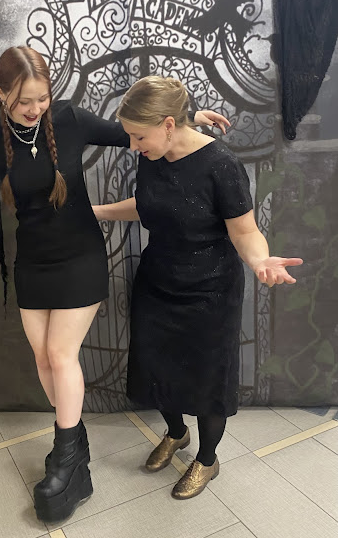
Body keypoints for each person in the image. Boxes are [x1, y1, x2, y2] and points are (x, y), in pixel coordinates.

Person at [0, 47, 228, 522]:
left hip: (80, 256)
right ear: (1, 94)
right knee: (43, 358)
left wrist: (187, 117)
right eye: (23, 102)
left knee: (60, 355)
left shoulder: (69, 119)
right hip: (33, 263)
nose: (34, 109)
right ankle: (74, 450)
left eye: (41, 98)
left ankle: (66, 457)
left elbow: (130, 132)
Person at [93, 75, 303, 500]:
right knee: (156, 367)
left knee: (207, 381)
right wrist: (98, 211)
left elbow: (245, 231)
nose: (132, 145)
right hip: (157, 281)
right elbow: (151, 205)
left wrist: (259, 260)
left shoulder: (221, 165)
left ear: (169, 124)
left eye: (138, 136)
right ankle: (176, 433)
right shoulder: (152, 153)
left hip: (210, 291)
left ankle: (207, 460)